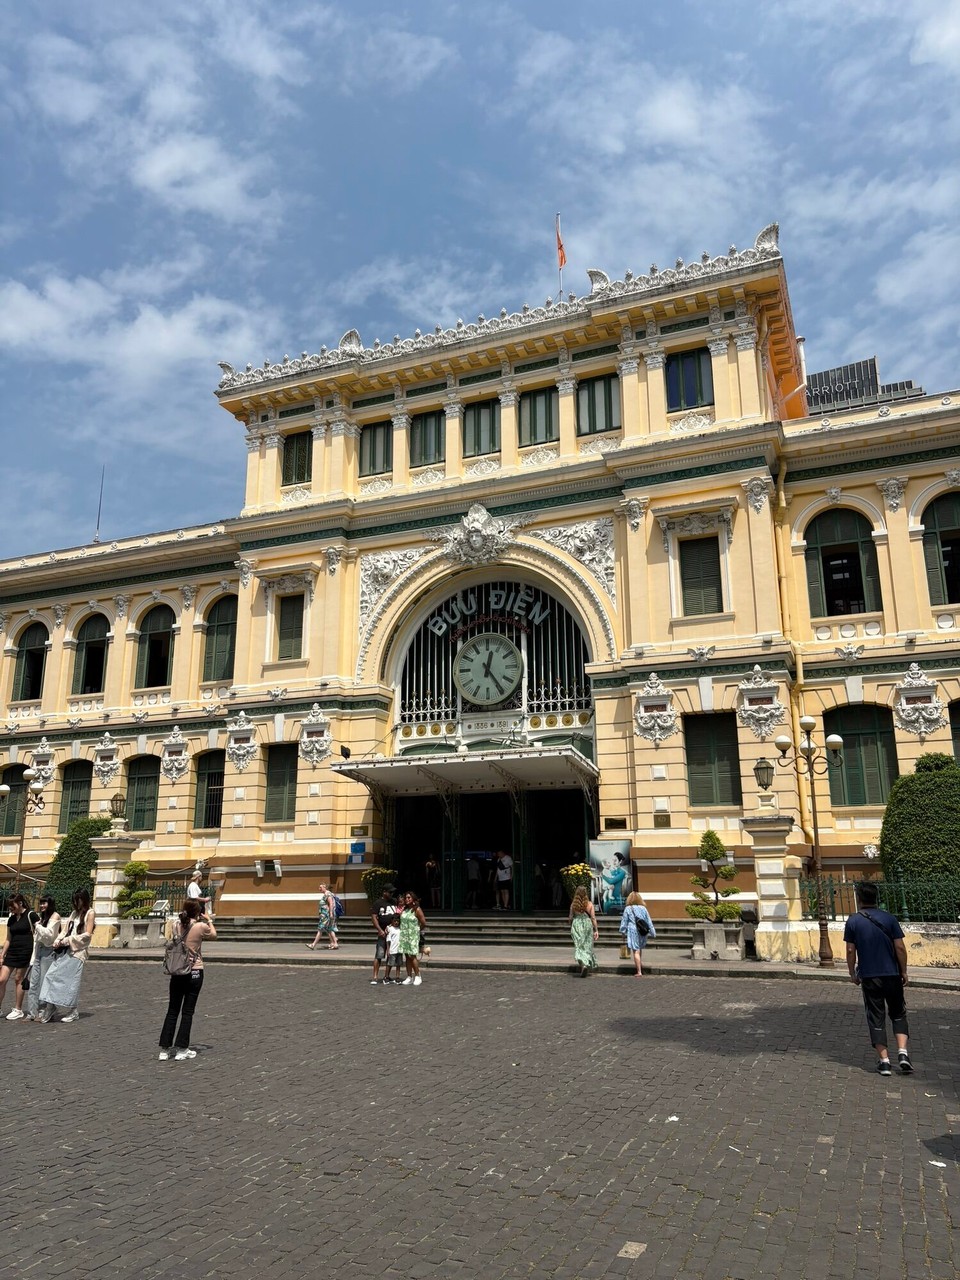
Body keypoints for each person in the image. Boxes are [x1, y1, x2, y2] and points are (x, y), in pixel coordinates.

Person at [844, 881, 912, 1075]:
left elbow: (850, 950)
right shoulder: (890, 919)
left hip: (869, 975)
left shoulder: (853, 921)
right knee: (898, 1012)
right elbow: (900, 947)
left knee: (876, 1016)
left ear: (858, 898)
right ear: (876, 897)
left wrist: (852, 973)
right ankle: (903, 1053)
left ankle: (884, 1061)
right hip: (891, 973)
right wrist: (904, 971)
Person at [158, 898, 217, 1061]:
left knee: (172, 1010)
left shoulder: (177, 924)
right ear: (198, 912)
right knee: (187, 1011)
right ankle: (182, 1048)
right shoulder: (200, 927)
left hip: (177, 971)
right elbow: (214, 935)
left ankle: (164, 1049)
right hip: (194, 971)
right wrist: (209, 920)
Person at [36, 888, 96, 1024]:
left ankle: (73, 1010)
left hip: (77, 952)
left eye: (78, 900)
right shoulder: (74, 913)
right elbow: (65, 930)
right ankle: (51, 1006)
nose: (76, 903)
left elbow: (87, 935)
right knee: (50, 975)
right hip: (65, 950)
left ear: (84, 899)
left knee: (71, 982)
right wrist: (58, 940)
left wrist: (68, 940)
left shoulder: (90, 913)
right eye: (75, 900)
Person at [0, 893, 38, 1021]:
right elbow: (8, 939)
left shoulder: (30, 915)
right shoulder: (11, 919)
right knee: (1, 979)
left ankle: (18, 1009)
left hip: (25, 951)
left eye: (12, 906)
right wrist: (2, 955)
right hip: (12, 952)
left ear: (20, 903)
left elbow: (39, 932)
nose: (10, 908)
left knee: (18, 979)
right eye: (9, 906)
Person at [25, 893, 61, 1021]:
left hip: (48, 950)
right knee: (34, 982)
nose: (41, 906)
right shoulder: (42, 917)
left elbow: (49, 935)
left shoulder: (55, 916)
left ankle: (44, 1010)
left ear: (50, 904)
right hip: (39, 950)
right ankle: (32, 1012)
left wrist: (37, 925)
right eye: (40, 903)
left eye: (44, 903)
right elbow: (38, 937)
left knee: (44, 982)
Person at [619, 891, 656, 976]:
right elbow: (649, 920)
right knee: (639, 949)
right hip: (642, 931)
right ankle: (640, 964)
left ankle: (639, 971)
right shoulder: (643, 908)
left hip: (633, 931)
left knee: (636, 951)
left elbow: (624, 921)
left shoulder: (628, 908)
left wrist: (623, 932)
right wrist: (653, 932)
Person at [569, 885, 599, 975]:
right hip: (587, 924)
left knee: (579, 946)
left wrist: (571, 925)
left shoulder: (573, 905)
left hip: (576, 924)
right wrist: (596, 930)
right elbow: (593, 918)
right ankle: (585, 964)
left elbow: (570, 917)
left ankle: (583, 966)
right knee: (587, 946)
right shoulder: (589, 904)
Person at [398, 891, 427, 985]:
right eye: (406, 898)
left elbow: (423, 923)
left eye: (409, 897)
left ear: (413, 899)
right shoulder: (405, 910)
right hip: (404, 935)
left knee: (412, 955)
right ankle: (409, 976)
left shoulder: (417, 910)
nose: (407, 899)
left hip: (413, 935)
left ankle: (418, 975)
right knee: (407, 956)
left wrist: (417, 930)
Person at [370, 883, 397, 984]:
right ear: (384, 892)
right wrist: (379, 930)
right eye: (390, 892)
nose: (392, 894)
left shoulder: (394, 901)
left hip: (392, 933)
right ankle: (375, 976)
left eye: (392, 892)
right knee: (379, 954)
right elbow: (373, 917)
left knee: (391, 955)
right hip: (382, 933)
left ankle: (387, 975)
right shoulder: (378, 903)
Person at [307, 883, 339, 950]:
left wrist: (330, 914)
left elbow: (331, 904)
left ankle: (313, 944)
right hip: (325, 915)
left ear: (325, 887)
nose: (319, 889)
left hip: (326, 916)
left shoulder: (328, 894)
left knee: (320, 929)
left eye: (320, 887)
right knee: (330, 929)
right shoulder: (326, 894)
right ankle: (335, 943)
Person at [384, 914, 403, 983]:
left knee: (398, 964)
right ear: (392, 921)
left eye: (397, 921)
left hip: (399, 950)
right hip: (392, 950)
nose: (396, 922)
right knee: (390, 964)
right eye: (395, 921)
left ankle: (397, 977)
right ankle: (386, 976)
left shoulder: (401, 928)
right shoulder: (390, 929)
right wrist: (388, 950)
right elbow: (388, 940)